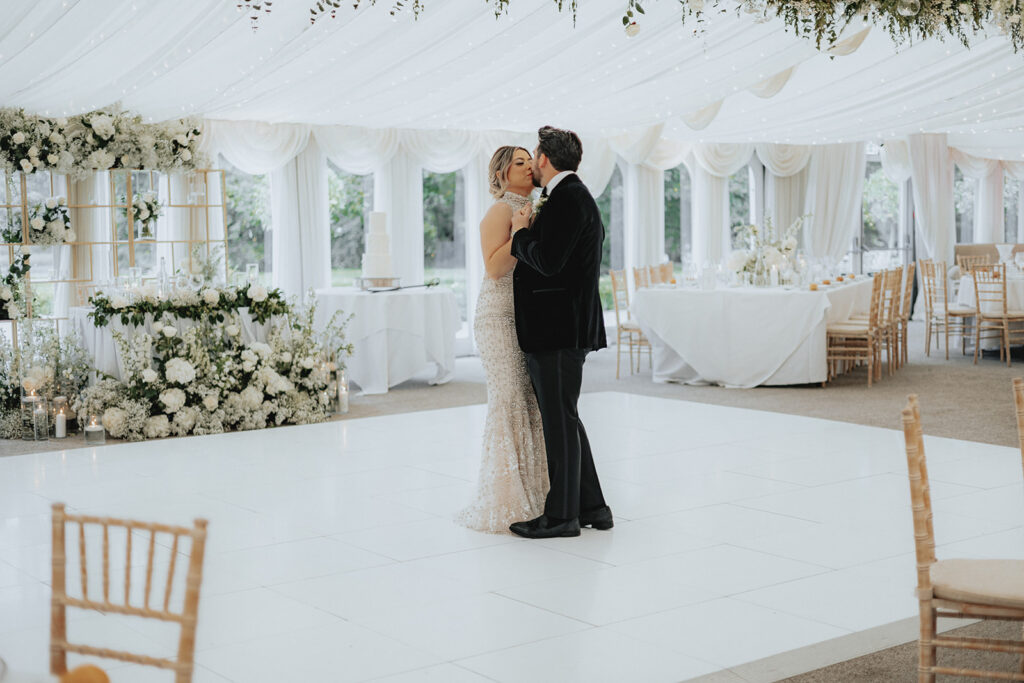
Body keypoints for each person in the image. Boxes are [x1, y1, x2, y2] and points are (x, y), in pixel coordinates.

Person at [507, 125, 612, 539]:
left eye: (533, 155)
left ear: (545, 159)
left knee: (559, 422)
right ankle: (593, 508)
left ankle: (561, 516)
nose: (532, 162)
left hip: (558, 330)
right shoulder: (571, 195)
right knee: (566, 419)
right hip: (563, 327)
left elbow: (548, 262)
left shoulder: (568, 198)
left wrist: (519, 233)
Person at [454, 146, 549, 534]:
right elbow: (493, 268)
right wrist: (520, 232)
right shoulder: (499, 210)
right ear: (502, 174)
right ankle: (505, 499)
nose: (529, 167)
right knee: (507, 397)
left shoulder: (534, 208)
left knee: (527, 401)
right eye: (520, 163)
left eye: (531, 161)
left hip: (525, 316)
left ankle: (537, 494)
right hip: (496, 316)